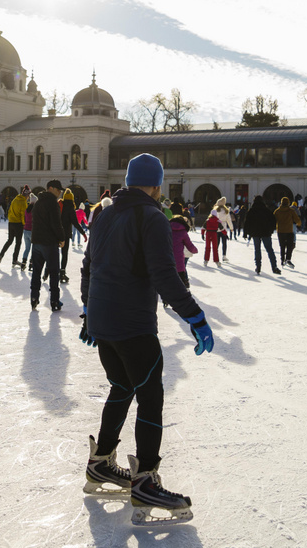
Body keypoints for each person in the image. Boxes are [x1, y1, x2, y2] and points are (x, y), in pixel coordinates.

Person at [78, 152, 213, 526]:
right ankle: (145, 482)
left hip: (104, 319)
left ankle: (102, 463)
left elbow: (89, 266)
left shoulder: (104, 214)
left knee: (121, 387)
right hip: (132, 323)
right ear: (157, 184)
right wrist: (196, 317)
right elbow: (164, 276)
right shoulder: (152, 216)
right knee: (150, 395)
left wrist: (90, 314)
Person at [30, 180, 67, 311]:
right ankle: (55, 301)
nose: (60, 192)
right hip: (49, 243)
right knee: (54, 272)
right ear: (50, 188)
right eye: (58, 189)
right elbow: (56, 223)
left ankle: (34, 297)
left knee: (36, 271)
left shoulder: (38, 202)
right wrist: (62, 238)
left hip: (36, 242)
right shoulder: (52, 203)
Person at [244, 195, 280, 275]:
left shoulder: (252, 210)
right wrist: (271, 230)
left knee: (257, 250)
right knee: (269, 250)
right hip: (266, 233)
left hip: (255, 233)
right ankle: (274, 267)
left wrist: (246, 233)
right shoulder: (266, 210)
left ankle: (258, 266)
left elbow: (247, 222)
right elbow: (273, 220)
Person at [0, 185, 29, 267]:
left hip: (11, 223)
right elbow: (23, 215)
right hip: (18, 224)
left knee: (10, 240)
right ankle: (14, 260)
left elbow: (10, 210)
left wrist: (10, 219)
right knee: (18, 242)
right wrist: (24, 224)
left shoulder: (15, 199)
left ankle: (0, 255)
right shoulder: (23, 202)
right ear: (27, 195)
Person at [274, 196, 301, 268]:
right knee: (290, 245)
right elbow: (297, 219)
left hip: (280, 231)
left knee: (282, 246)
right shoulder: (291, 211)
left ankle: (282, 260)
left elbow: (273, 220)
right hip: (289, 230)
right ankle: (288, 259)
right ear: (288, 203)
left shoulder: (277, 211)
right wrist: (299, 224)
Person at [59, 189, 77, 283]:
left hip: (57, 233)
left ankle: (47, 271)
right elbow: (75, 222)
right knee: (64, 254)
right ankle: (62, 272)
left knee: (53, 253)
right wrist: (83, 233)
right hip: (65, 234)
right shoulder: (71, 208)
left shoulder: (60, 205)